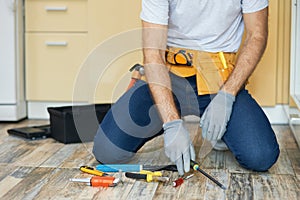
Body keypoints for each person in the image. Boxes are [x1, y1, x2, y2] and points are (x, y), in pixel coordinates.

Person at [93, 0, 280, 175]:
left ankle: (221, 131)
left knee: (261, 156)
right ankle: (168, 124)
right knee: (107, 151)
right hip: (169, 77)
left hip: (220, 80)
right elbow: (153, 52)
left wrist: (227, 95)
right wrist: (171, 123)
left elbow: (257, 35)